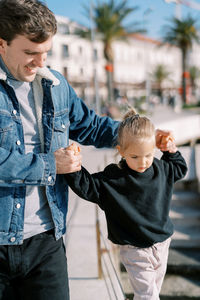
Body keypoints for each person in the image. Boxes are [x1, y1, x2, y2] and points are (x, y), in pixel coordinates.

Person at [0, 0, 121, 299]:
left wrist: (138, 133)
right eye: (30, 53)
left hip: (47, 243)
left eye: (46, 53)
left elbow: (90, 125)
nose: (41, 63)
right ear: (1, 44)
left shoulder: (56, 84)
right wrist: (51, 165)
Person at [65, 108, 187, 300]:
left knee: (151, 292)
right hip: (134, 250)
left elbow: (180, 168)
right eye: (135, 157)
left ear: (153, 148)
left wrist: (170, 150)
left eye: (148, 155)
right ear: (121, 151)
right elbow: (87, 186)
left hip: (162, 244)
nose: (143, 162)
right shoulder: (113, 179)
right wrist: (72, 167)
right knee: (148, 296)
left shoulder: (161, 168)